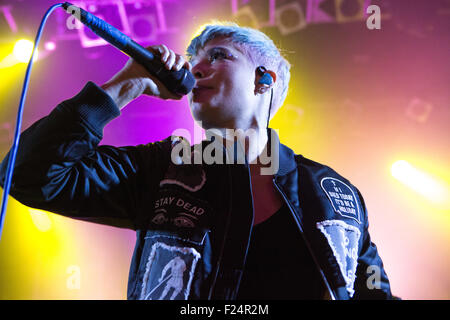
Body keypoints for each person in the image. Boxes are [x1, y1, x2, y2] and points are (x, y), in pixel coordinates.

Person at [0, 23, 392, 300]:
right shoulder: (162, 168)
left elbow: (373, 294)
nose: (195, 67)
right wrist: (127, 85)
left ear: (264, 80)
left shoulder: (332, 190)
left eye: (218, 56)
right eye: (193, 59)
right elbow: (28, 175)